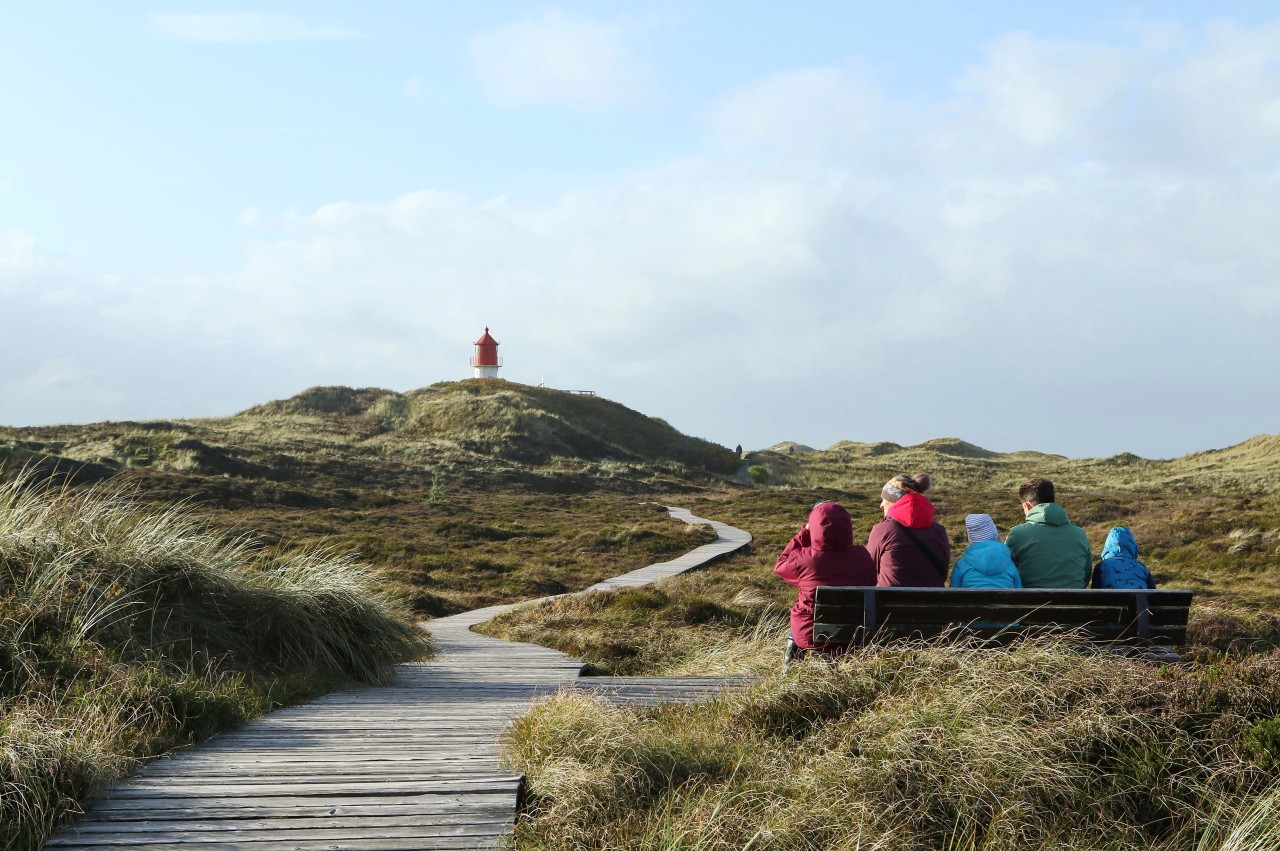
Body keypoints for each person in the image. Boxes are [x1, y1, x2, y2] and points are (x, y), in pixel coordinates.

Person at [775, 502, 875, 665]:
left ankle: (790, 667)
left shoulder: (804, 559)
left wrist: (804, 532)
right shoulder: (862, 557)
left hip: (811, 634)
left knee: (799, 614)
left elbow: (780, 565)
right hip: (854, 633)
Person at [1005, 477, 1092, 588]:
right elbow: (1086, 575)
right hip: (1073, 603)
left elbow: (1004, 572)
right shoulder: (1079, 534)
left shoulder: (1017, 534)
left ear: (1027, 506)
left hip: (1030, 603)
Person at [867, 473, 950, 586]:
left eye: (884, 499)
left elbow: (870, 572)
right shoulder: (939, 531)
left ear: (895, 500)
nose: (881, 505)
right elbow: (943, 574)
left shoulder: (881, 530)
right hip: (932, 601)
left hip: (887, 601)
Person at [950, 513, 1021, 589]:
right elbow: (1018, 589)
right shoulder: (1008, 562)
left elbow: (953, 594)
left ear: (971, 539)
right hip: (1003, 600)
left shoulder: (961, 564)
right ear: (995, 535)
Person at [1092, 526, 1156, 589]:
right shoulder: (1141, 567)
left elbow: (1095, 590)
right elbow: (1153, 592)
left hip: (1110, 599)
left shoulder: (1102, 565)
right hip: (1139, 599)